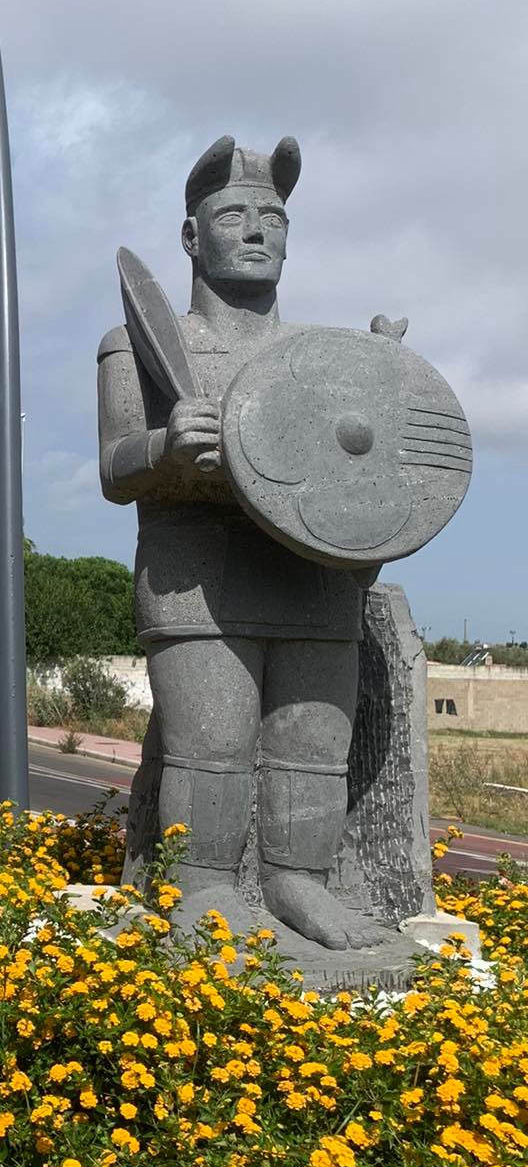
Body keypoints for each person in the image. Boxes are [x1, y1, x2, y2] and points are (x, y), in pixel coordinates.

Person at [97, 135, 381, 951]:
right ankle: (204, 886)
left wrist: (383, 395)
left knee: (311, 747)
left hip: (312, 572)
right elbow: (117, 467)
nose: (258, 231)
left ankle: (300, 884)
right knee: (213, 747)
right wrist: (164, 447)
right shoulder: (141, 344)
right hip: (199, 577)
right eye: (234, 215)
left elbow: (362, 471)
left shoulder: (325, 361)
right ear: (192, 237)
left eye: (275, 218)